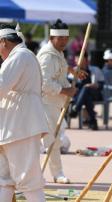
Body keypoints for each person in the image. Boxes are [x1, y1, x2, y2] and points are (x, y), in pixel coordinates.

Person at [0, 24, 49, 201]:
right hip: (12, 126)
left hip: (21, 126)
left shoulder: (20, 56)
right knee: (4, 180)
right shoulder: (20, 56)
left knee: (28, 180)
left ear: (3, 42)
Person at [37, 19, 79, 184]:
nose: (63, 42)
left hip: (55, 104)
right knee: (49, 140)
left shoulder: (58, 53)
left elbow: (59, 70)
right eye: (60, 39)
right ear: (51, 37)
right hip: (44, 103)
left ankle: (54, 173)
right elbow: (45, 82)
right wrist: (65, 90)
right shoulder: (46, 56)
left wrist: (71, 70)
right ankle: (51, 173)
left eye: (65, 38)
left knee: (54, 139)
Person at [69, 51, 104, 130]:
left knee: (86, 88)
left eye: (80, 59)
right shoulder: (73, 71)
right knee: (86, 97)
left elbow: (101, 85)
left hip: (94, 93)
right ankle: (93, 121)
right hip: (78, 96)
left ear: (85, 60)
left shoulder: (95, 70)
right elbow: (69, 84)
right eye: (76, 59)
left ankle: (76, 109)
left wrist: (95, 85)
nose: (78, 61)